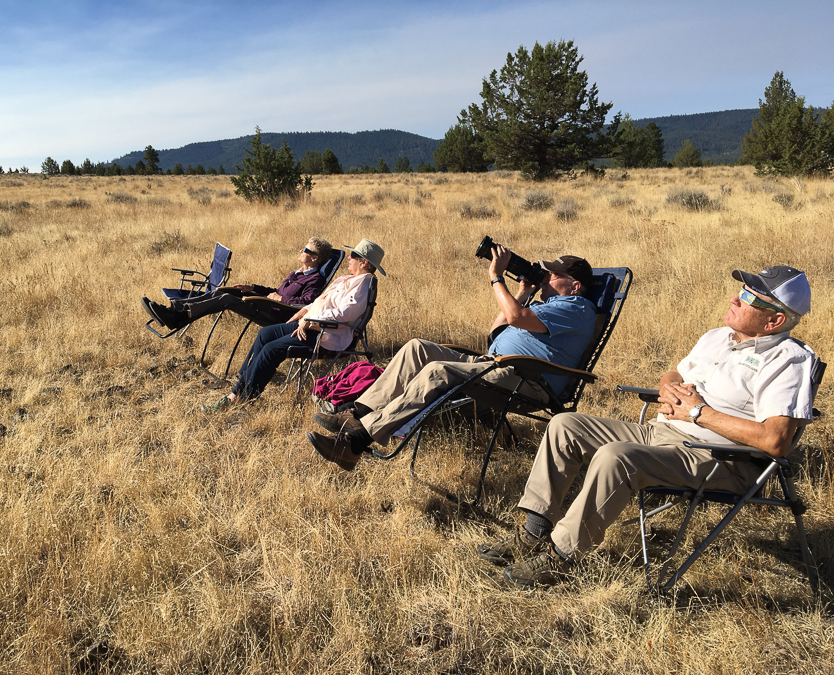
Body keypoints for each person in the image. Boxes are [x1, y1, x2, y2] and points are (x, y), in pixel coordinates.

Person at [476, 265, 815, 589]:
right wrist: (667, 386)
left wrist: (698, 413)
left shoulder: (789, 359)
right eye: (741, 291)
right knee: (566, 425)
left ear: (776, 319)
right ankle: (534, 530)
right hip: (662, 433)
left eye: (751, 298)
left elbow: (775, 441)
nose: (735, 299)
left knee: (617, 457)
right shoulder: (718, 337)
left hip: (721, 459)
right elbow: (676, 374)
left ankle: (562, 556)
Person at [307, 246, 597, 471]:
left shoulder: (578, 307)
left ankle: (355, 445)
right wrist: (522, 292)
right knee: (417, 348)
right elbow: (497, 330)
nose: (546, 277)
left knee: (437, 371)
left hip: (528, 380)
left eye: (554, 275)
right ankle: (358, 415)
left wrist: (497, 278)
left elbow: (514, 317)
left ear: (574, 286)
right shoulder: (551, 304)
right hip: (493, 363)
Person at [201, 238, 385, 412]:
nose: (349, 258)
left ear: (364, 263)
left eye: (353, 256)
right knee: (265, 334)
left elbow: (343, 314)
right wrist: (303, 311)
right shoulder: (347, 279)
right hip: (310, 325)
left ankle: (239, 397)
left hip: (326, 335)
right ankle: (246, 381)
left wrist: (310, 320)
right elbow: (321, 300)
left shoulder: (363, 284)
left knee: (272, 349)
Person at [141, 237, 333, 330]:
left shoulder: (315, 279)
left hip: (277, 314)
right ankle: (175, 310)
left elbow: (307, 302)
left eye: (305, 249)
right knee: (226, 290)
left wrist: (281, 297)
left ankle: (177, 316)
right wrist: (253, 288)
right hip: (266, 303)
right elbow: (274, 291)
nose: (301, 249)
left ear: (314, 258)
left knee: (227, 299)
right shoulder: (298, 272)